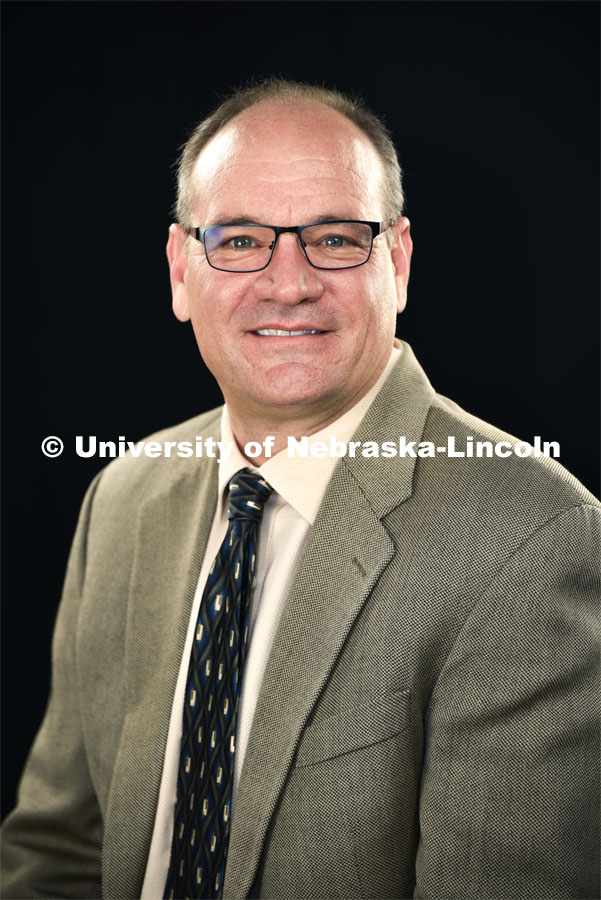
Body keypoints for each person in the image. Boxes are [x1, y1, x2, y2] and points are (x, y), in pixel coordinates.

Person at [2, 79, 599, 900]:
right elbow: (56, 852)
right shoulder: (124, 497)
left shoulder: (533, 538)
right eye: (240, 240)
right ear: (182, 271)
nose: (288, 283)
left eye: (334, 238)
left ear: (396, 261)